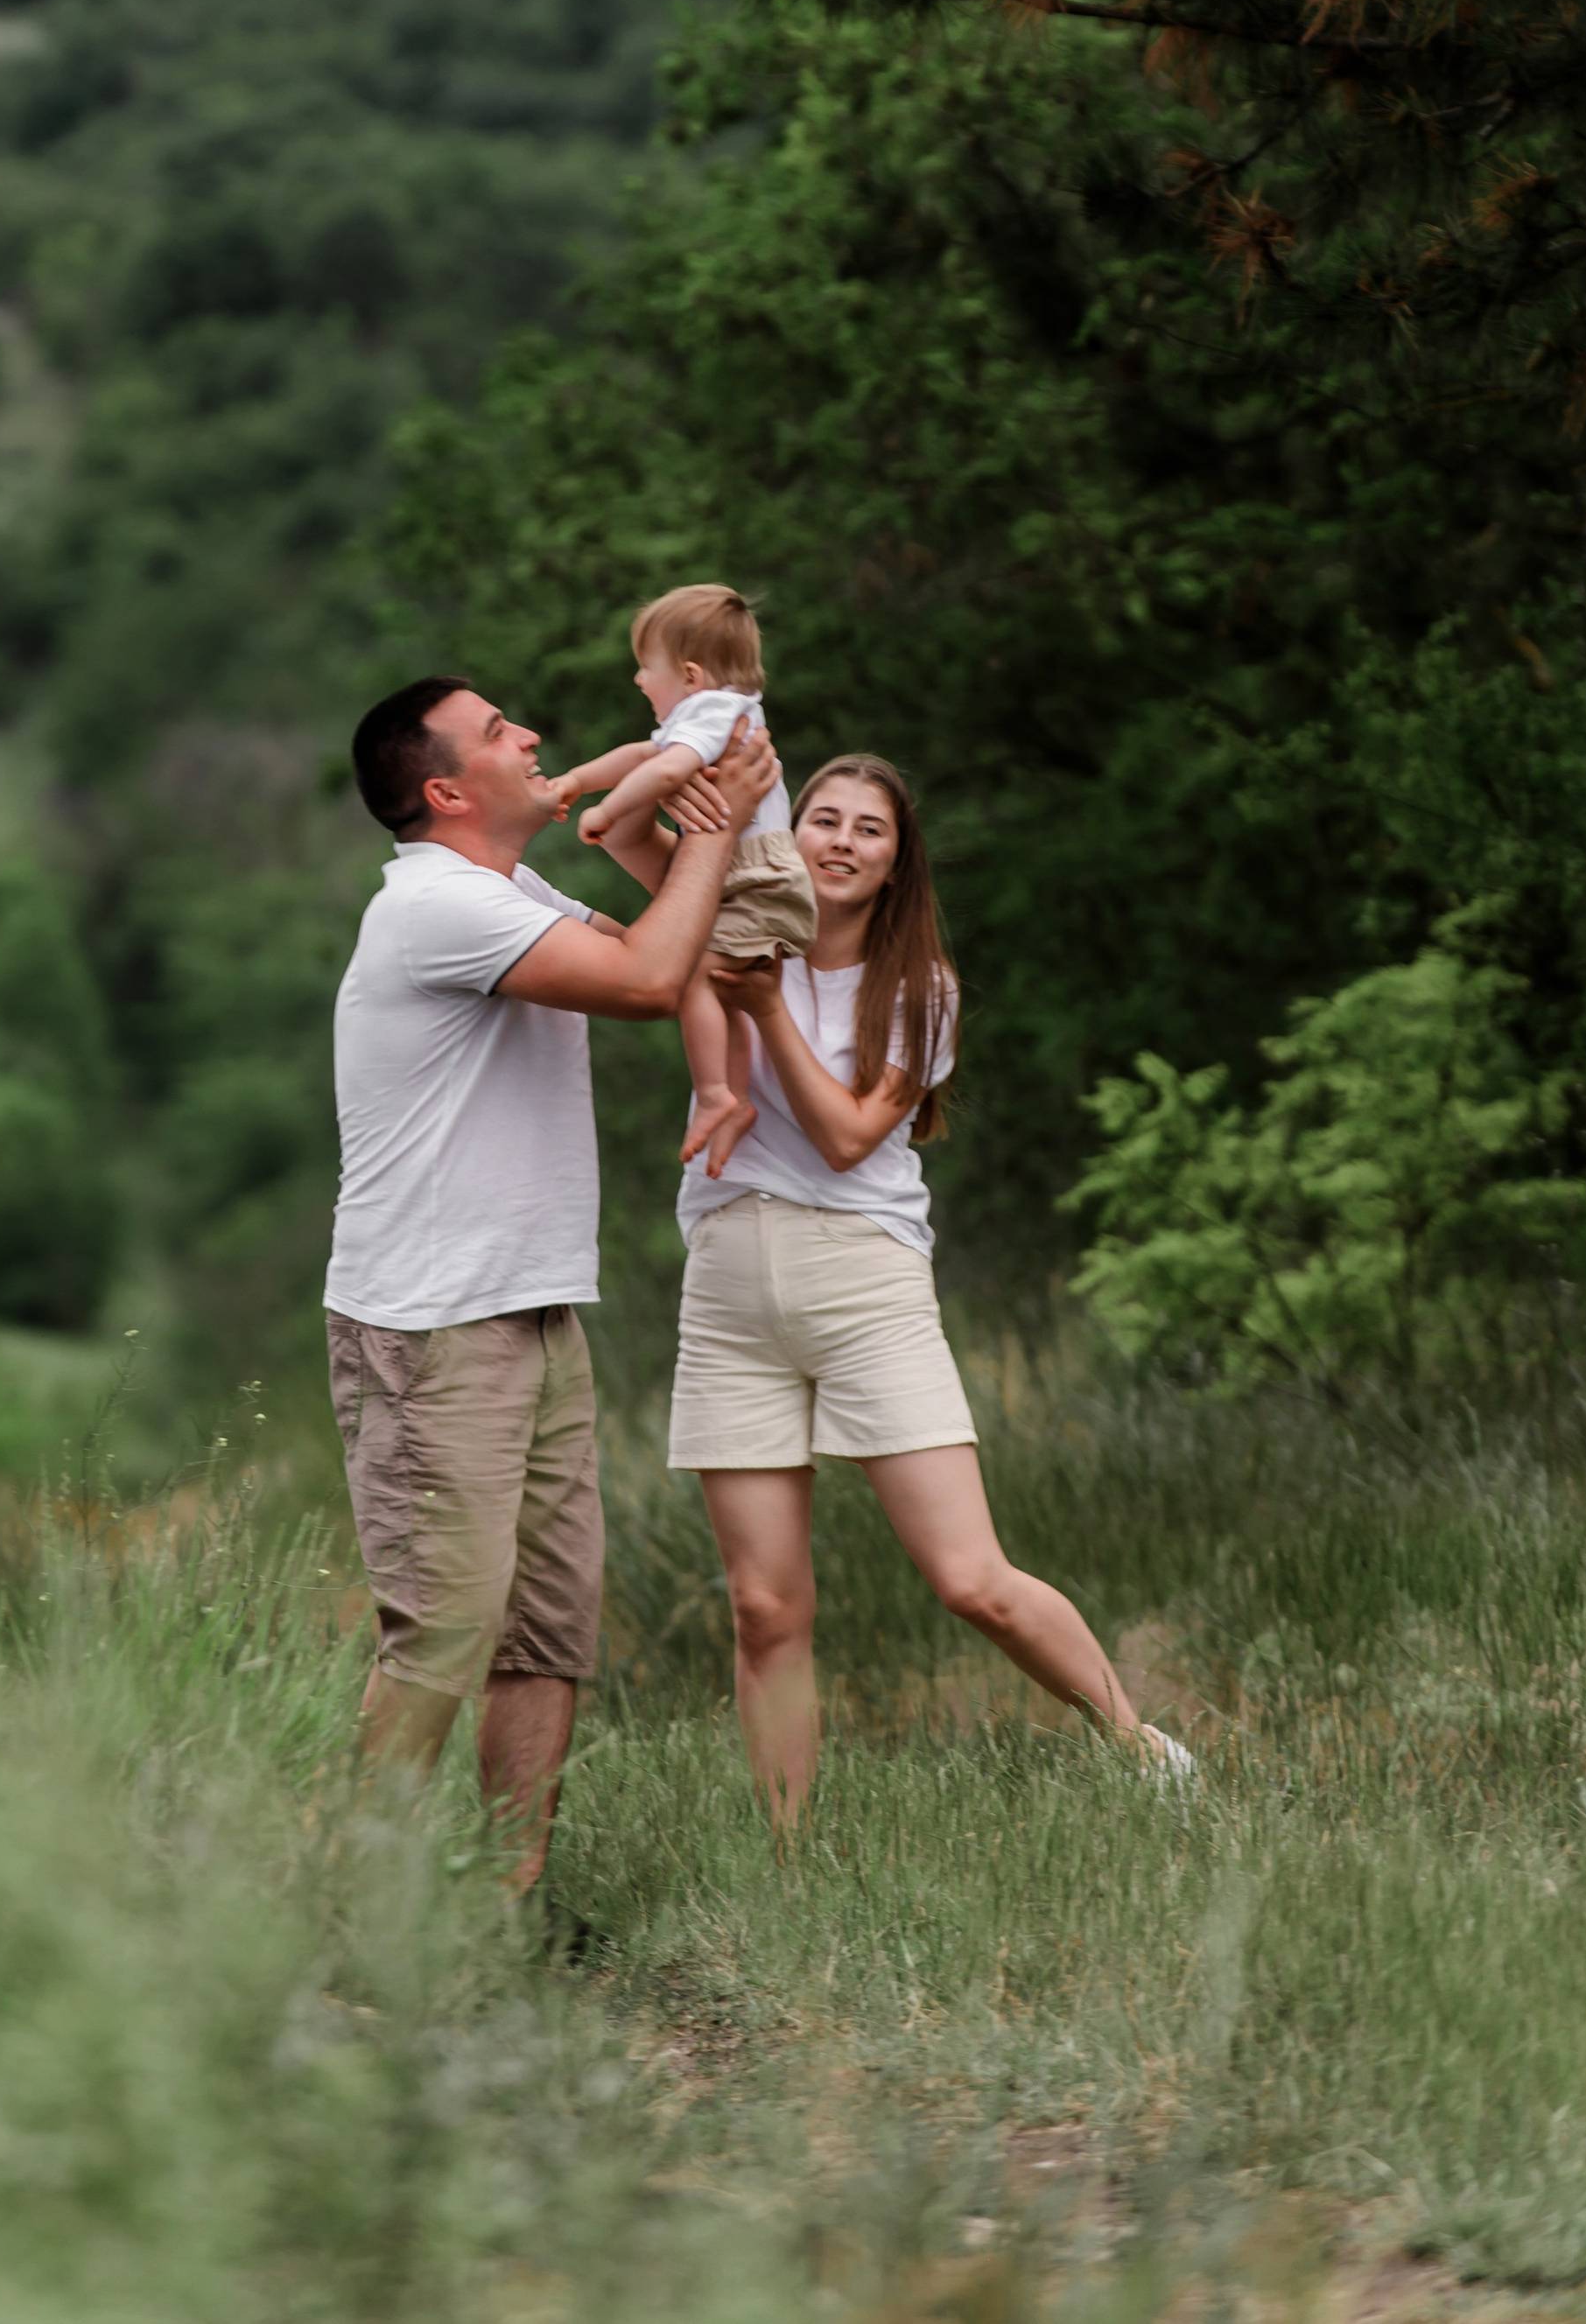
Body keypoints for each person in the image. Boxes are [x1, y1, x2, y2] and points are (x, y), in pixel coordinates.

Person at [668, 752, 1194, 1824]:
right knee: (764, 1607)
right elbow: (640, 853)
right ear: (792, 833)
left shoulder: (919, 989)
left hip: (863, 1282)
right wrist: (680, 756)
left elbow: (851, 1136)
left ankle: (1140, 1749)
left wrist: (769, 1011)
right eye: (822, 818)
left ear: (898, 862)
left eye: (871, 829)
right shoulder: (729, 934)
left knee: (969, 1579)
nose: (842, 841)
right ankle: (787, 1860)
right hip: (727, 1282)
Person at [326, 670, 778, 1889]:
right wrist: (715, 831)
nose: (530, 735)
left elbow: (660, 952)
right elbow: (643, 984)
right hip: (432, 1327)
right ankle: (355, 1911)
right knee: (446, 1629)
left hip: (529, 1309)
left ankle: (500, 1907)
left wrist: (679, 821)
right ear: (445, 787)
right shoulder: (432, 905)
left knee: (542, 1634)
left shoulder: (505, 886)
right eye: (496, 731)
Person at [550, 583, 817, 1180]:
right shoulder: (720, 711)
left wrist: (607, 810)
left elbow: (665, 767)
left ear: (691, 675)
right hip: (754, 875)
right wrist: (576, 779)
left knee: (696, 974)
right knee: (724, 987)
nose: (640, 681)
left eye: (647, 667)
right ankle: (736, 1096)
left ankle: (715, 1090)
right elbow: (642, 757)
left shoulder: (713, 713)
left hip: (757, 878)